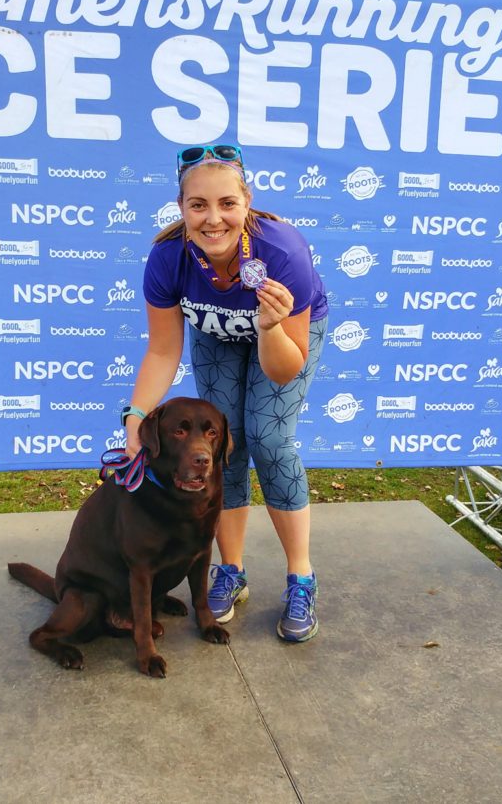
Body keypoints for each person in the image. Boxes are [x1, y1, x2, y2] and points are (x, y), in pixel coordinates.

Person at [124, 143, 330, 643]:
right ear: (181, 208)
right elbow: (161, 352)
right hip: (216, 332)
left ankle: (301, 577)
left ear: (247, 202)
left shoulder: (282, 251)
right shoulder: (168, 257)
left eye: (226, 204)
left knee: (269, 440)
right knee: (223, 445)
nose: (213, 218)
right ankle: (231, 571)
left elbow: (284, 371)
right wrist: (135, 418)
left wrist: (269, 326)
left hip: (280, 336)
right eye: (198, 205)